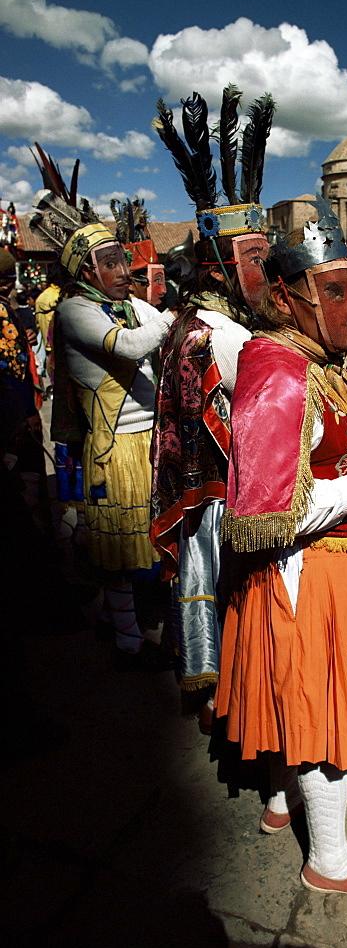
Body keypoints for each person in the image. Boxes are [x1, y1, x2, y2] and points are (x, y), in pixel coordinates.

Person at [215, 197, 347, 894]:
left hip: (332, 563)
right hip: (311, 571)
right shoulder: (279, 371)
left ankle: (282, 800)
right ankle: (328, 860)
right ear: (285, 295)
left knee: (295, 697)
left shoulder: (311, 358)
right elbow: (266, 512)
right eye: (333, 291)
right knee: (326, 715)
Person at [150, 87, 275, 730]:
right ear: (222, 268)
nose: (269, 269)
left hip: (206, 499)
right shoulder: (227, 338)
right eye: (256, 259)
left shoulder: (193, 321)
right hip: (223, 503)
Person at [30, 171, 175, 671]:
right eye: (107, 262)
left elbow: (155, 324)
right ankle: (128, 642)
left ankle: (121, 624)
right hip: (117, 449)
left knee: (141, 543)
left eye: (121, 259)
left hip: (147, 441)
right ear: (85, 272)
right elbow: (139, 343)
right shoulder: (74, 310)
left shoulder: (123, 304)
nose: (122, 270)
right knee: (117, 552)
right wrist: (174, 318)